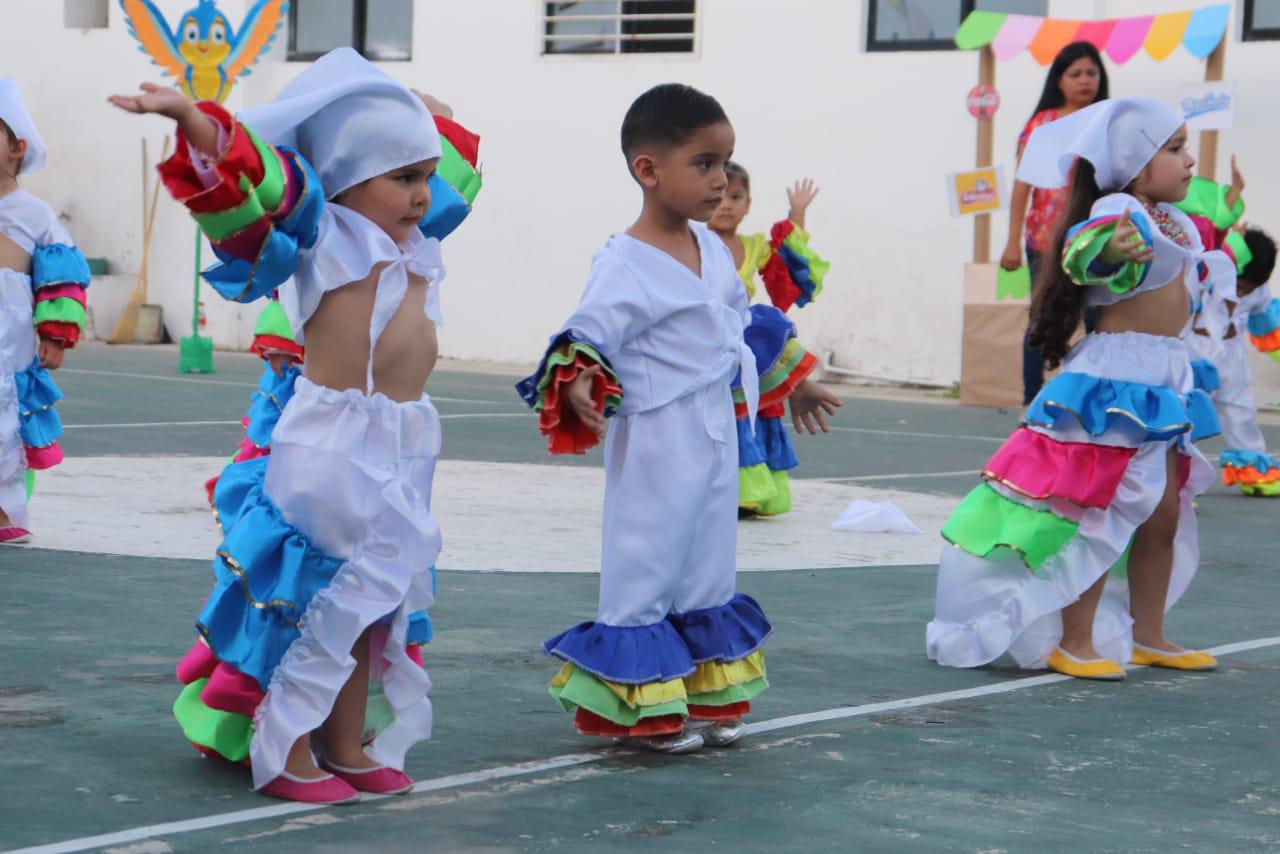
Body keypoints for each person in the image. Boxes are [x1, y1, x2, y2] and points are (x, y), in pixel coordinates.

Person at [111, 48, 466, 804]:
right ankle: (287, 748)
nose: (421, 194)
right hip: (331, 448)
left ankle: (343, 743)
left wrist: (429, 118)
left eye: (425, 177)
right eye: (403, 178)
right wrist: (191, 119)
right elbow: (259, 173)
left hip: (403, 445)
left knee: (374, 606)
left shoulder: (418, 240)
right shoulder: (324, 230)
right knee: (312, 603)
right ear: (345, 180)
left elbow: (453, 175)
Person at [516, 84, 839, 752]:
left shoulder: (713, 250)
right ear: (648, 169)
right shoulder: (623, 263)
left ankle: (701, 692)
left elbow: (741, 325)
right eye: (704, 163)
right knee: (648, 558)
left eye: (726, 163)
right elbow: (588, 332)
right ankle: (640, 711)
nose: (720, 180)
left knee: (707, 561)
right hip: (658, 432)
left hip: (717, 429)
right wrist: (578, 384)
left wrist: (792, 381)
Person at [929, 98, 1226, 681]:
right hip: (1114, 383)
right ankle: (1075, 639)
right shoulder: (1119, 211)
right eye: (1173, 149)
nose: (1189, 161)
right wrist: (1108, 250)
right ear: (1135, 165)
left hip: (1163, 378)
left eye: (1186, 147)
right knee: (1098, 514)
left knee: (1162, 516)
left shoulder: (1175, 220)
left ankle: (1150, 632)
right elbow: (1080, 254)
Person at [0, 77, 91, 546]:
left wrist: (55, 333)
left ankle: (6, 512)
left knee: (6, 422)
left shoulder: (34, 214)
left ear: (17, 147)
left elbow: (62, 277)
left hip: (8, 342)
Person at [709, 163, 830, 516]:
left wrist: (798, 213)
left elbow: (789, 268)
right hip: (706, 337)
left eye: (736, 197)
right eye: (720, 197)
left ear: (748, 204)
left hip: (742, 336)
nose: (726, 205)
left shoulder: (754, 245)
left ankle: (753, 490)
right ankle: (717, 487)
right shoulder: (692, 241)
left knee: (754, 402)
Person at [1001, 42, 1110, 404]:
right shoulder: (1043, 125)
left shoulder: (1108, 120)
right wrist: (1011, 241)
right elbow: (1022, 185)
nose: (1084, 81)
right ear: (1059, 81)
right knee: (1044, 321)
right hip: (1045, 242)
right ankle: (1031, 401)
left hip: (1097, 238)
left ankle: (1093, 397)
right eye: (1075, 74)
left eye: (1091, 73)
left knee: (1101, 321)